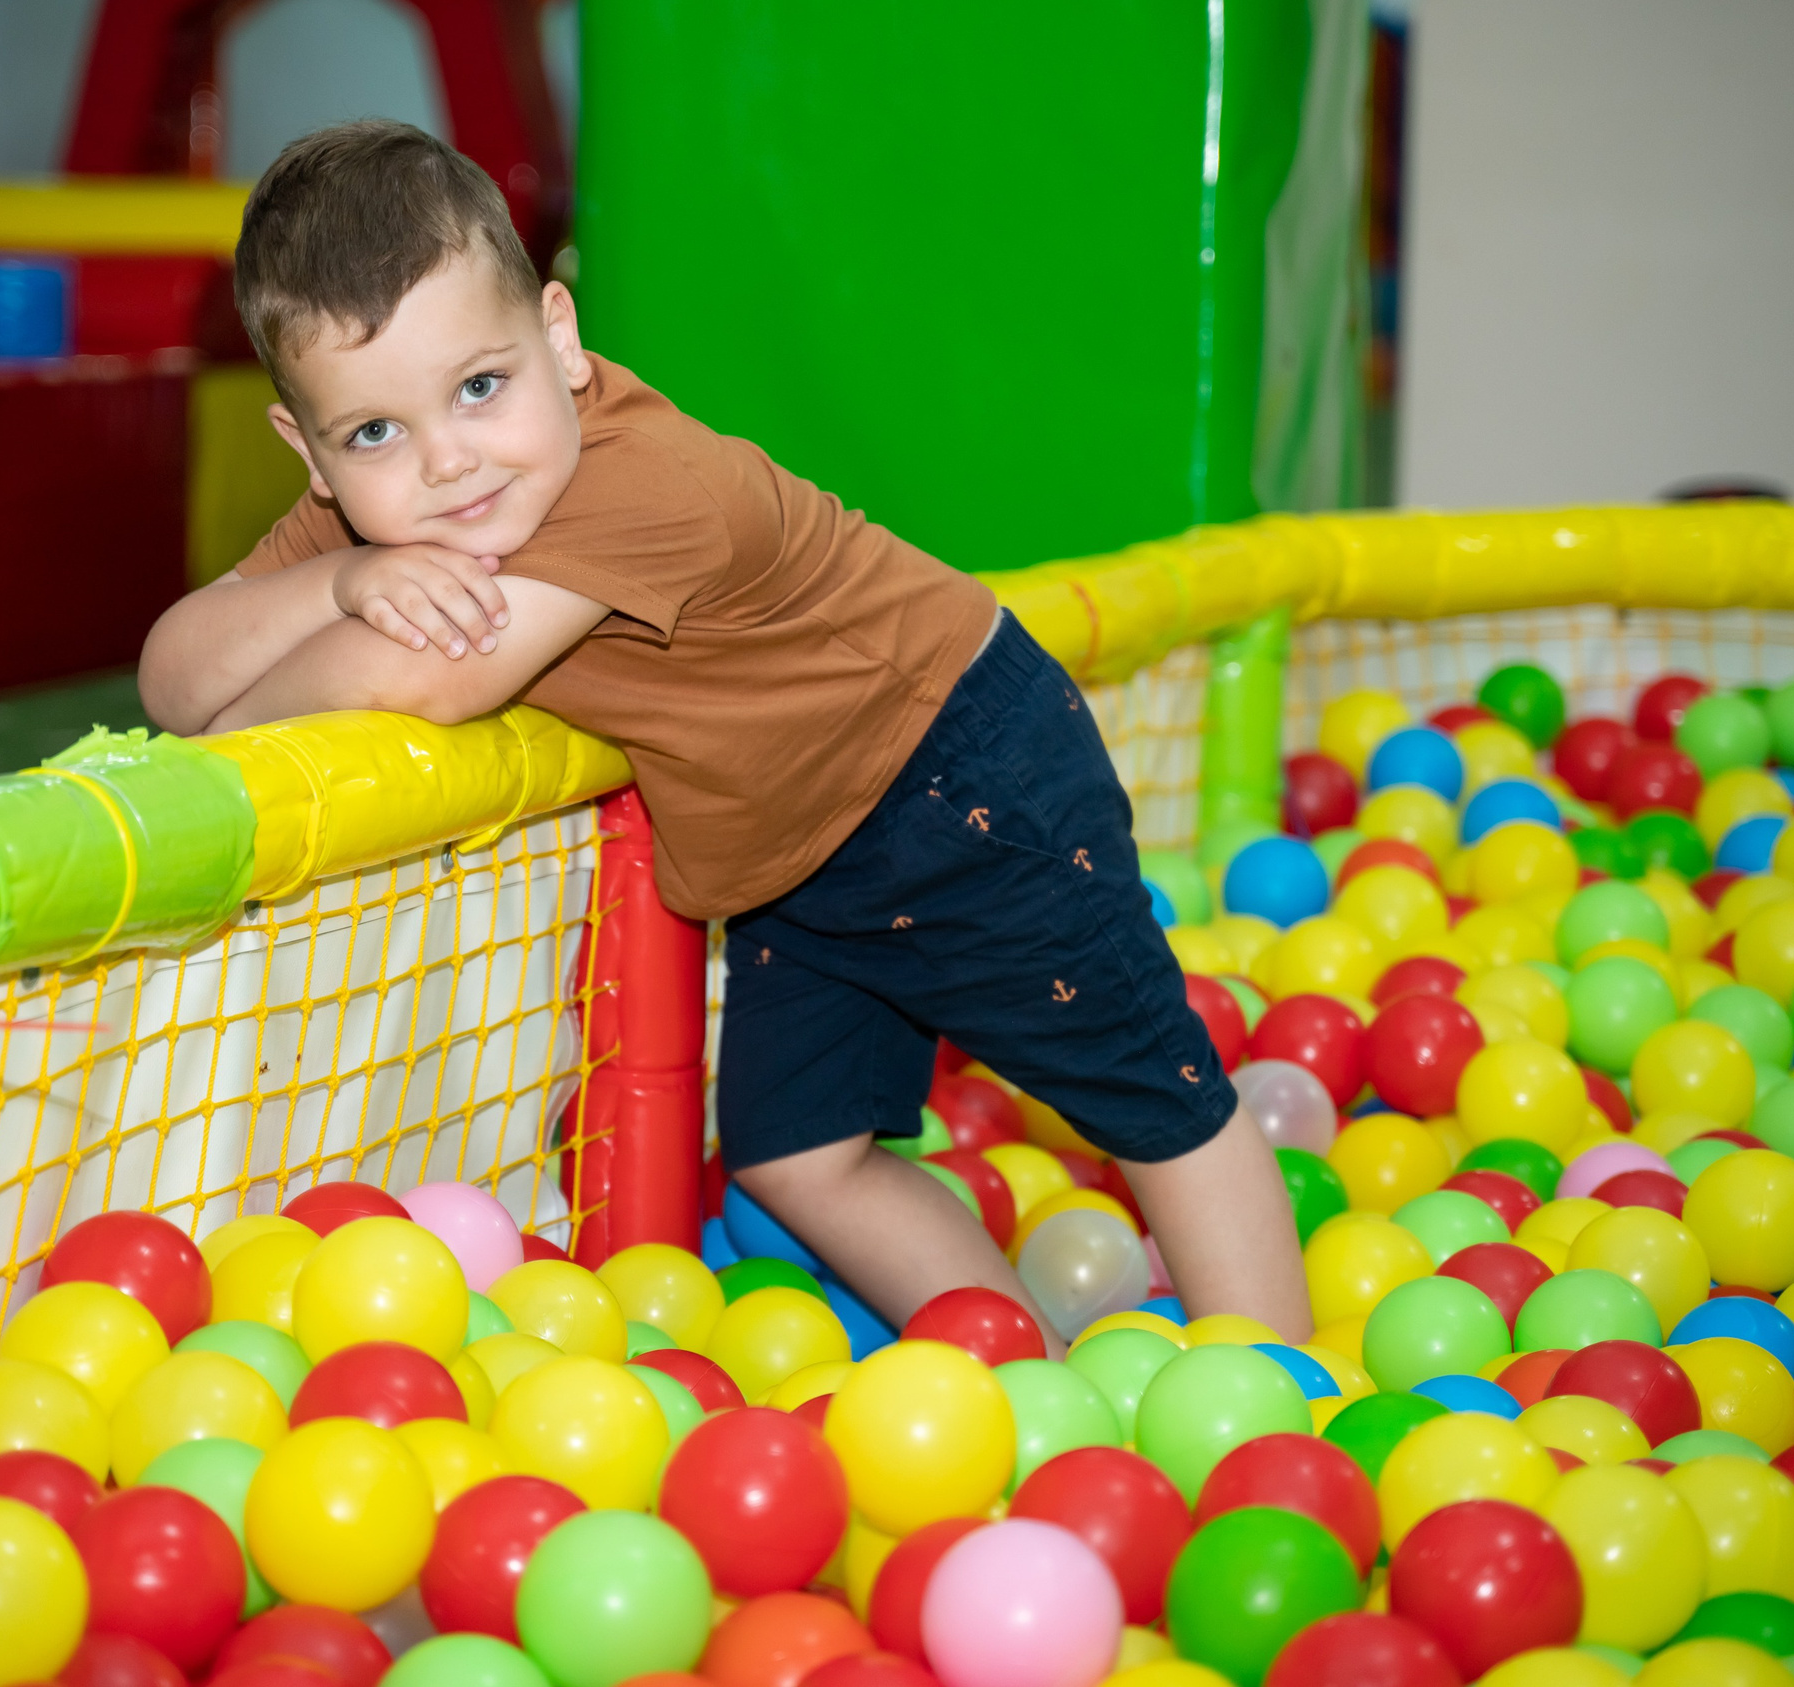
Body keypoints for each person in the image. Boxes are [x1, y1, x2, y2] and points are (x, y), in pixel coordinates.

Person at [141, 121, 1310, 1347]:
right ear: (310, 454)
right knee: (796, 1159)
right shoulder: (379, 524)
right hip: (798, 859)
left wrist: (271, 675)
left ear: (559, 337)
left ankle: (1272, 1406)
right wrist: (328, 587)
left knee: (1148, 1093)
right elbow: (173, 668)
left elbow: (424, 681)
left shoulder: (639, 482)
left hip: (959, 768)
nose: (446, 466)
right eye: (374, 432)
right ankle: (1033, 1376)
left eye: (480, 387)